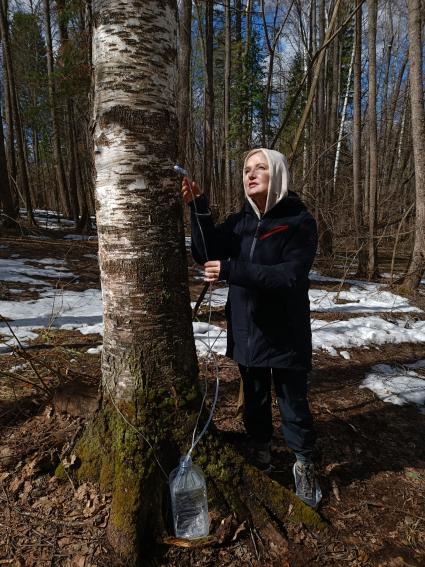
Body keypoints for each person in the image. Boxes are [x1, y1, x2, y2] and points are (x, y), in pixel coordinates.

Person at [182, 149, 321, 509]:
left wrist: (232, 270)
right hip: (247, 329)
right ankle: (260, 450)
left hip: (286, 332)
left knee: (292, 402)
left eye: (260, 168)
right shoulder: (241, 222)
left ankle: (305, 464)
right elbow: (205, 250)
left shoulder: (298, 222)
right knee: (255, 397)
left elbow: (289, 276)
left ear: (278, 174)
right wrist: (198, 207)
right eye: (246, 169)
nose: (251, 174)